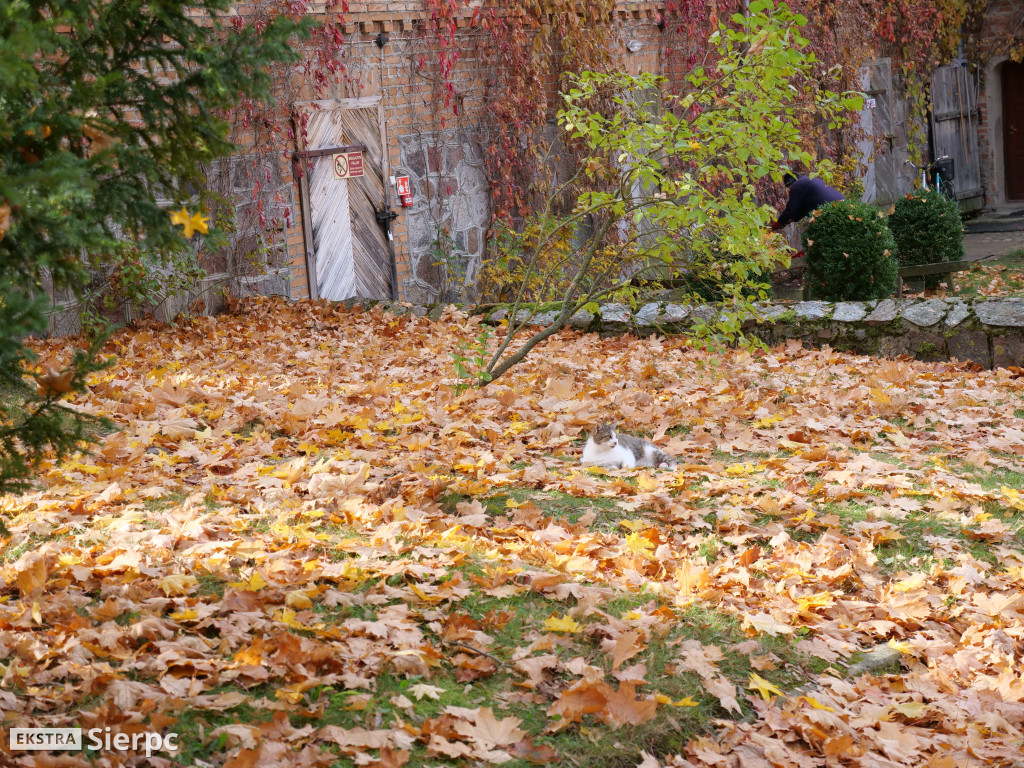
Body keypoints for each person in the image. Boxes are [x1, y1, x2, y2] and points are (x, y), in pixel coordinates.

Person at [769, 172, 844, 231]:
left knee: (818, 235)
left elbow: (791, 209)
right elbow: (803, 209)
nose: (790, 191)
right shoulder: (808, 181)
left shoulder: (797, 185)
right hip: (843, 205)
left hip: (829, 210)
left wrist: (779, 222)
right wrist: (793, 219)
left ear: (789, 184)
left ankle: (808, 251)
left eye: (789, 188)